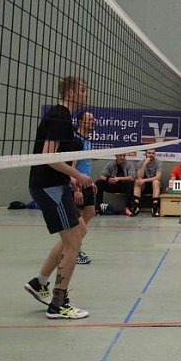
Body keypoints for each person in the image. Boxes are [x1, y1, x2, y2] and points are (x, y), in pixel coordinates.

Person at [23, 76, 93, 319]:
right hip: (48, 187)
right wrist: (79, 176)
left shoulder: (65, 118)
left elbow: (56, 159)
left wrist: (70, 178)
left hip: (56, 184)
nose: (86, 94)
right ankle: (58, 303)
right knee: (74, 241)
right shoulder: (59, 115)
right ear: (71, 92)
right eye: (82, 90)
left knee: (79, 230)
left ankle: (39, 282)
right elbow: (49, 157)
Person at [72, 111, 97, 264]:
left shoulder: (88, 140)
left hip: (86, 183)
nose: (93, 122)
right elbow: (72, 166)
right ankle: (74, 250)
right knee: (78, 222)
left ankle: (71, 246)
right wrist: (75, 189)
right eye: (89, 119)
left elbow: (85, 165)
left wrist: (91, 181)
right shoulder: (76, 140)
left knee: (91, 212)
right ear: (81, 122)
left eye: (93, 119)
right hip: (77, 184)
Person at [132, 149, 162, 217]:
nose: (151, 155)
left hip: (153, 185)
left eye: (153, 153)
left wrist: (145, 180)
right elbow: (139, 176)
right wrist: (144, 164)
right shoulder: (141, 162)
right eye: (149, 153)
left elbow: (158, 177)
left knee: (156, 182)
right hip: (144, 186)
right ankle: (135, 206)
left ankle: (155, 207)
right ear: (145, 154)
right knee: (137, 181)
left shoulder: (158, 162)